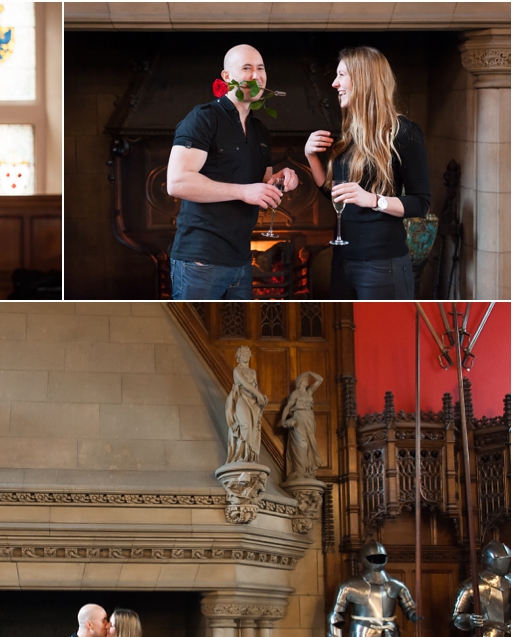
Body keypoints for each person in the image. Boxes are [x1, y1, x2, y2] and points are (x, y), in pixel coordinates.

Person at [166, 44, 298, 300]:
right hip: (200, 261)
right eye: (246, 68)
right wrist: (244, 191)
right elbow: (177, 182)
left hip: (240, 260)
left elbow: (260, 188)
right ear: (227, 77)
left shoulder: (260, 130)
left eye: (260, 68)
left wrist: (281, 178)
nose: (255, 75)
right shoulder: (203, 118)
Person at [304, 47, 430, 300]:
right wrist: (309, 156)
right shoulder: (350, 133)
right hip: (343, 261)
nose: (334, 83)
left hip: (382, 264)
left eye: (341, 75)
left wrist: (373, 200)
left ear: (363, 79)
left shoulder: (404, 133)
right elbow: (334, 195)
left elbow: (420, 203)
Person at [225, 346, 267, 463]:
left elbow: (255, 387)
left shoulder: (253, 372)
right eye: (243, 353)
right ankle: (241, 456)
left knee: (254, 428)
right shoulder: (237, 370)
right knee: (246, 425)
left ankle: (250, 457)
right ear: (238, 357)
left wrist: (261, 399)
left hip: (253, 402)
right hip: (242, 398)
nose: (245, 355)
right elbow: (246, 385)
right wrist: (259, 395)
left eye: (247, 353)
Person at [280, 371, 323, 479]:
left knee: (309, 444)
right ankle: (299, 471)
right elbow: (288, 406)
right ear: (300, 381)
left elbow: (320, 380)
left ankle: (307, 471)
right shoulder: (296, 393)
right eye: (305, 378)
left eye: (307, 378)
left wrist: (310, 373)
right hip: (298, 416)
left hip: (309, 417)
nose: (307, 380)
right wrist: (283, 419)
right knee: (301, 444)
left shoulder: (309, 392)